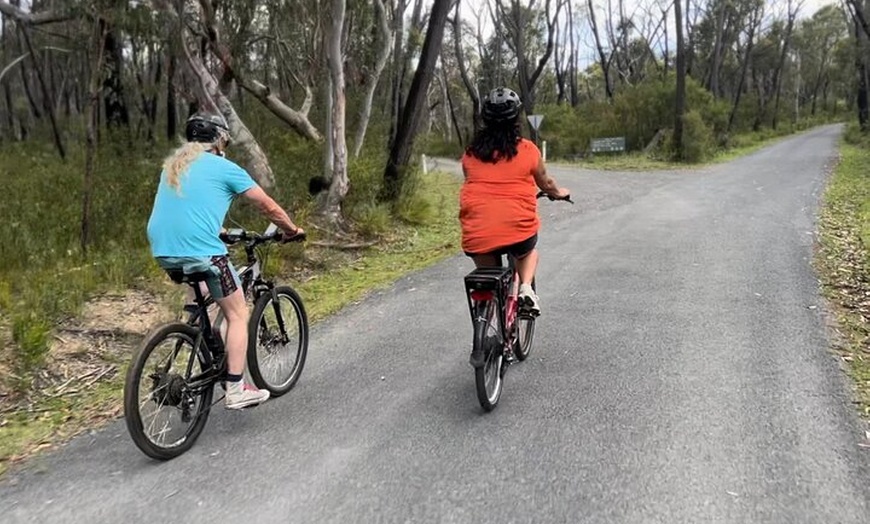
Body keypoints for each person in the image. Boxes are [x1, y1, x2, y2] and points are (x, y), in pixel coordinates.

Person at [146, 113, 304, 410]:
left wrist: (219, 231)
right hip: (202, 251)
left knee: (204, 302)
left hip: (164, 249)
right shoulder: (224, 167)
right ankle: (236, 389)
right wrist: (291, 230)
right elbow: (267, 205)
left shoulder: (173, 167)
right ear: (219, 140)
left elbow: (188, 210)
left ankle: (203, 345)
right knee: (238, 314)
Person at [459, 87, 569, 321]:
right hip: (518, 229)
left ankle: (485, 315)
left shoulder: (470, 154)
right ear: (516, 118)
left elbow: (472, 180)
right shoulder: (528, 150)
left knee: (487, 273)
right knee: (528, 252)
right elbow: (546, 183)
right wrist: (559, 193)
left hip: (477, 232)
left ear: (485, 119)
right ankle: (526, 288)